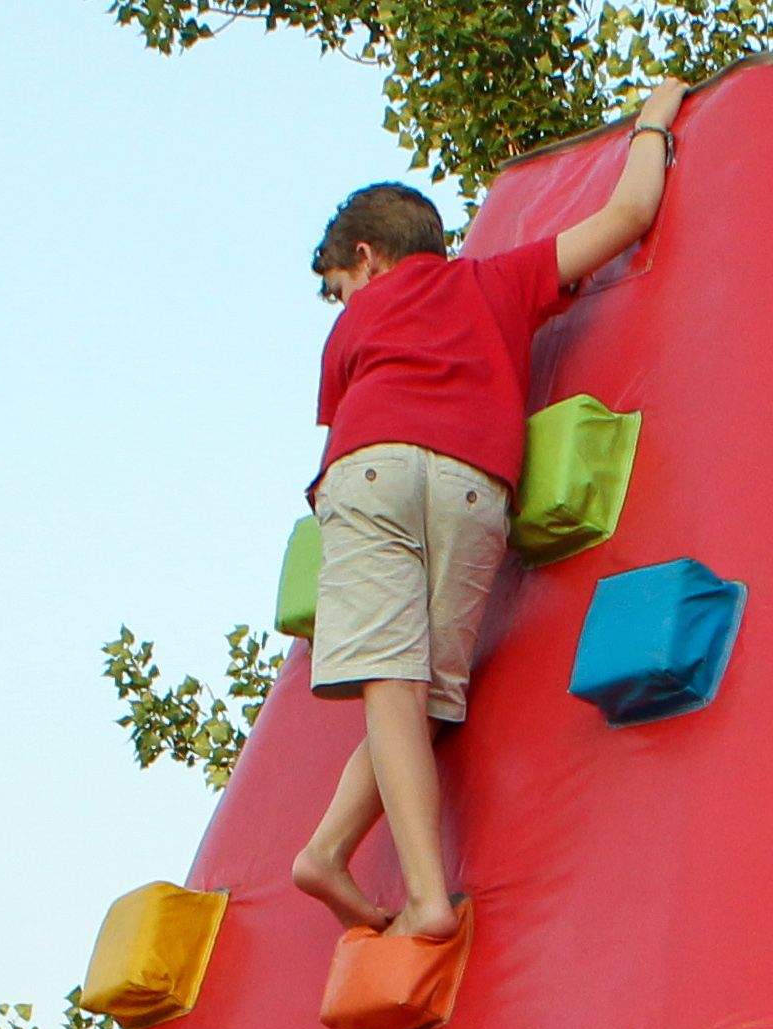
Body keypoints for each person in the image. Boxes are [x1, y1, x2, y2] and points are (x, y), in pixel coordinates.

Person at [284, 85, 690, 945]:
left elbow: (350, 425)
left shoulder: (357, 327)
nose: (343, 302)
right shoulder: (495, 280)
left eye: (340, 286)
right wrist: (655, 119)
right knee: (428, 698)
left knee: (389, 682)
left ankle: (424, 894)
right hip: (475, 486)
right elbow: (629, 214)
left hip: (372, 470)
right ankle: (326, 849)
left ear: (368, 258)